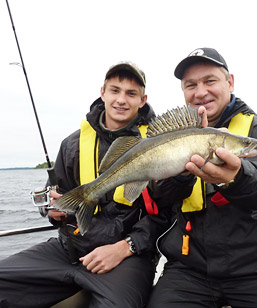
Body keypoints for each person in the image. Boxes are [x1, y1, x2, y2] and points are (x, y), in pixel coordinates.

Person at [0, 62, 174, 308]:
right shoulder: (71, 144)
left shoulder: (159, 145)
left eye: (131, 93)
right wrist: (52, 209)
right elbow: (56, 198)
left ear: (142, 100)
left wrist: (127, 247)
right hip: (69, 249)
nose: (121, 100)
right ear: (102, 93)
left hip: (127, 256)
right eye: (115, 90)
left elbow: (166, 214)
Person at [146, 48, 257, 308]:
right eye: (190, 85)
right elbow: (161, 197)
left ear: (230, 82)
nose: (200, 92)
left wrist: (238, 176)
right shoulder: (170, 137)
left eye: (210, 81)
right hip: (188, 269)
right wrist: (181, 177)